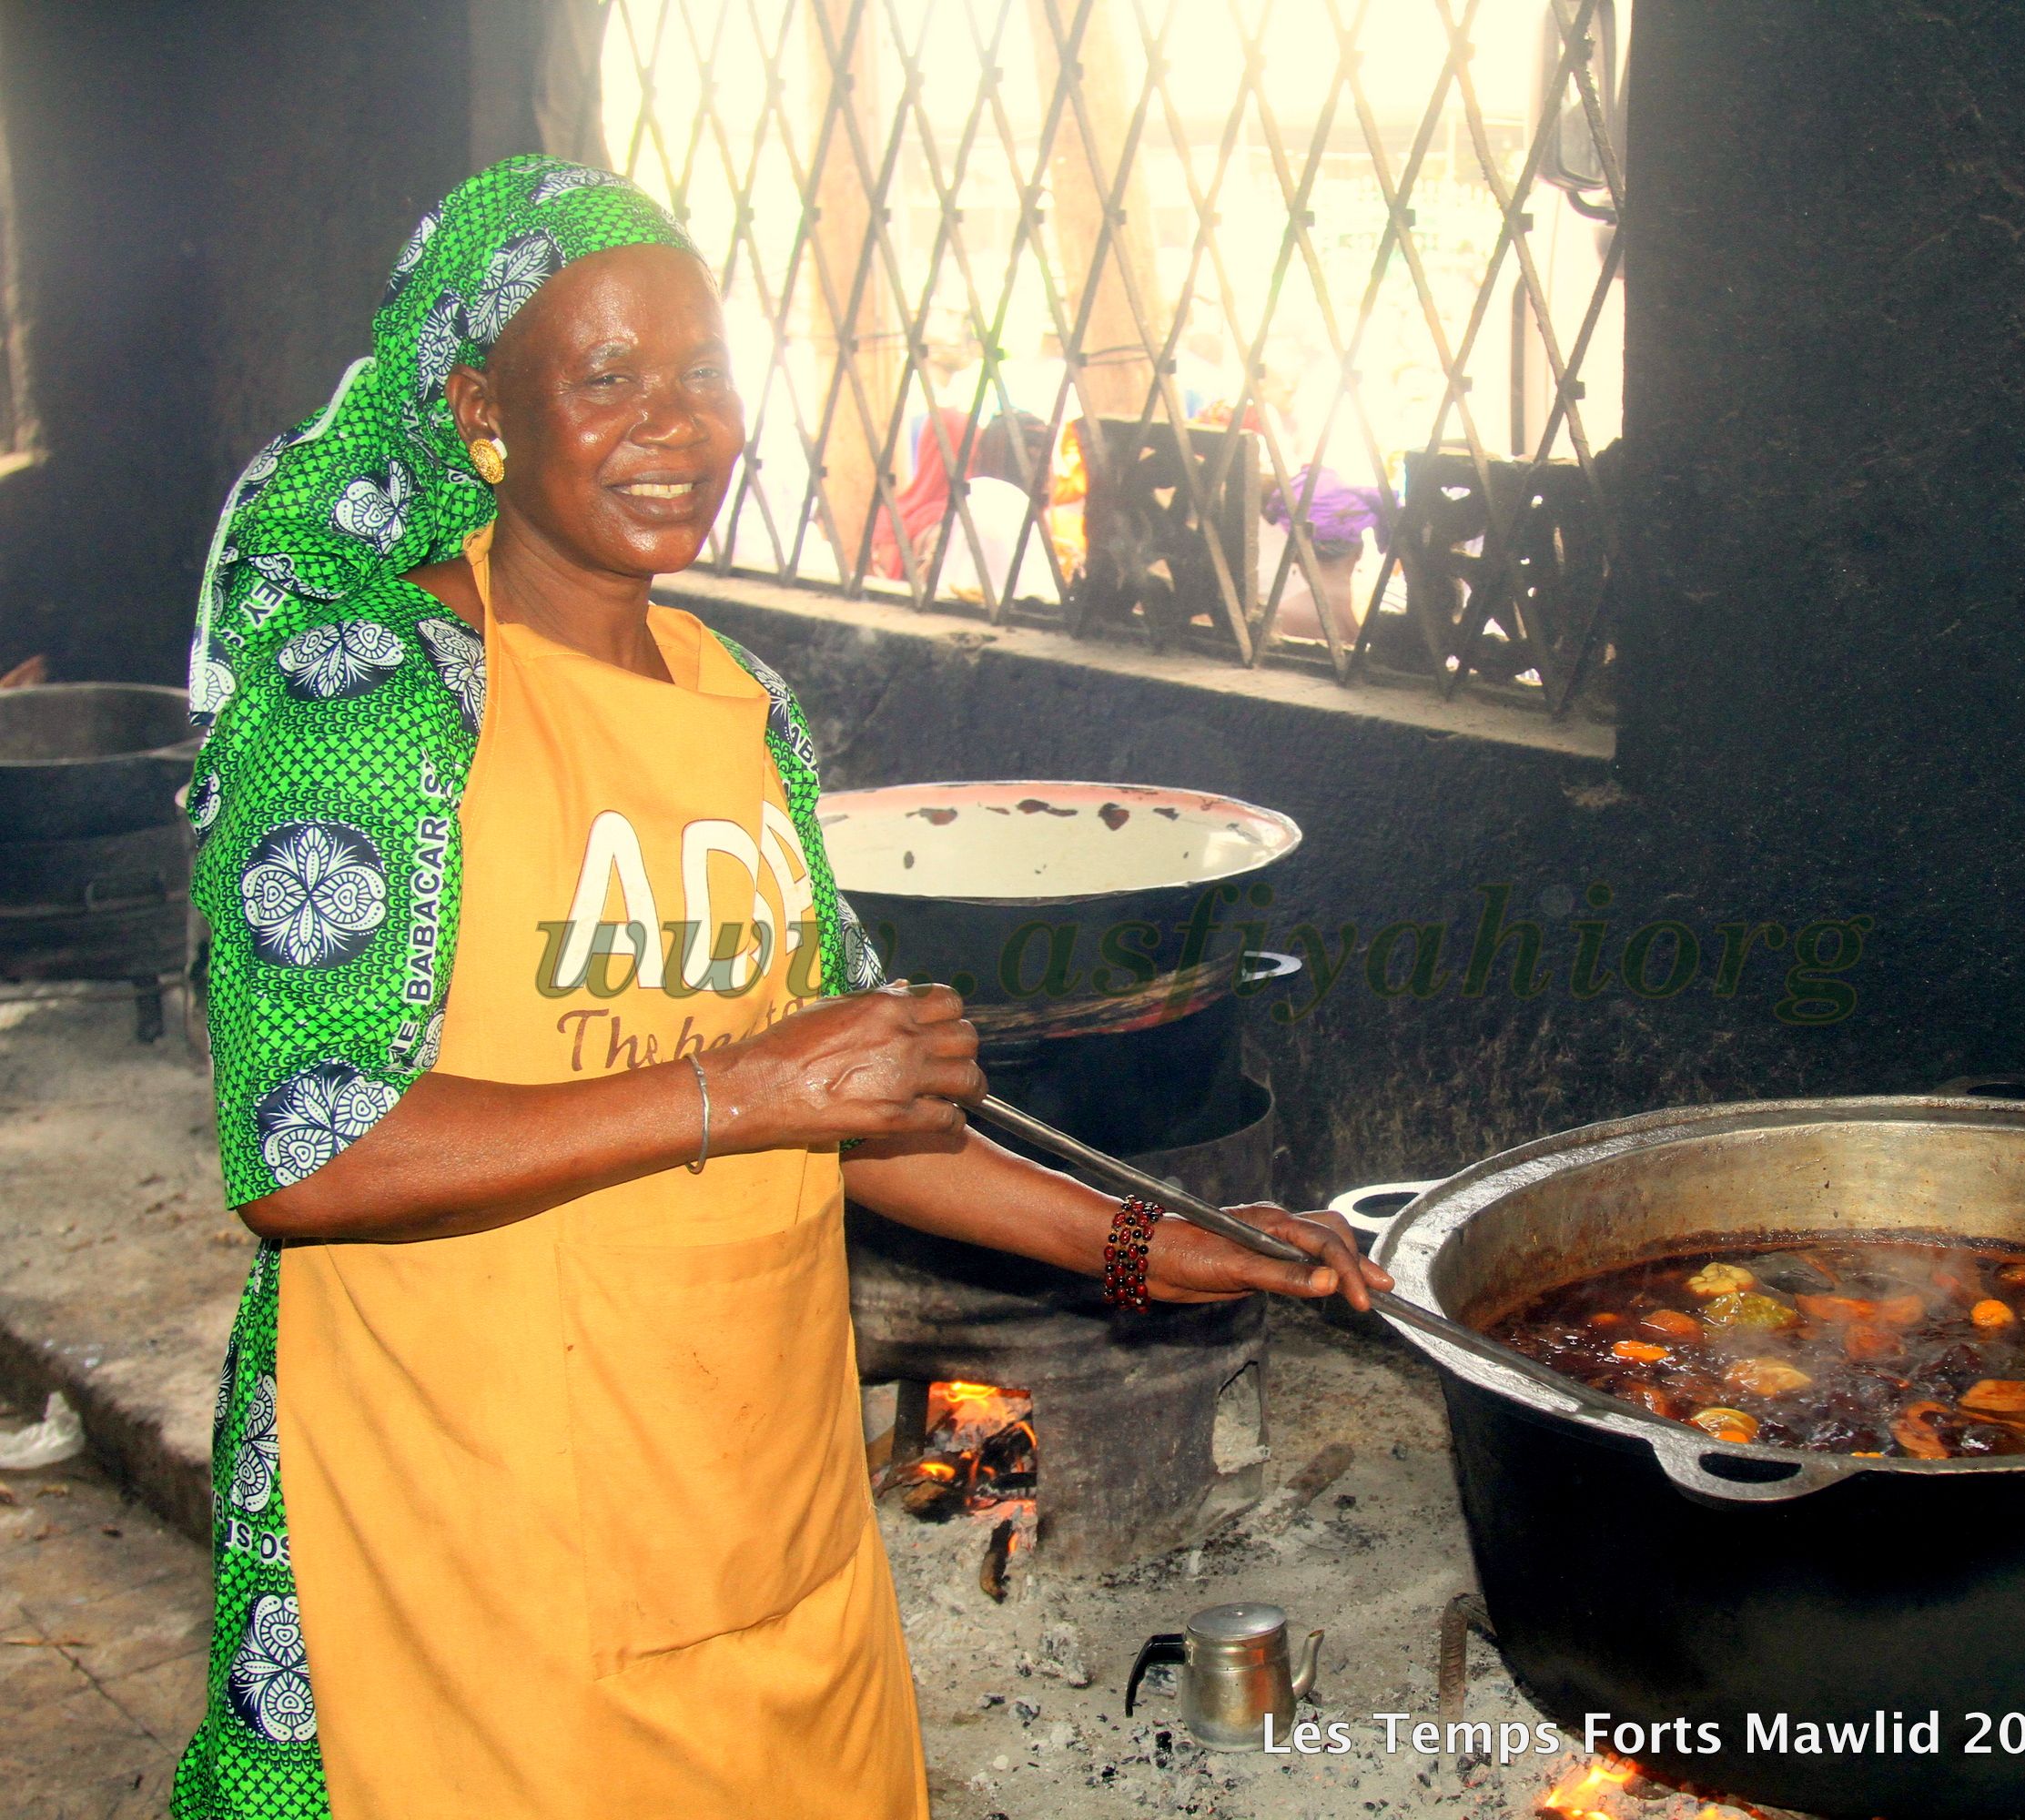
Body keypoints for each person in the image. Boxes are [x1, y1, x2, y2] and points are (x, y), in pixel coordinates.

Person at [173, 157, 1385, 1820]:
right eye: (607, 378)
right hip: (474, 1512)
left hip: (755, 1494)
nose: (680, 424)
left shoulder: (742, 704)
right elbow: (306, 1154)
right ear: (479, 410)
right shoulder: (376, 696)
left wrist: (1169, 1243)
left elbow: (868, 1107)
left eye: (707, 373)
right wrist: (740, 1092)